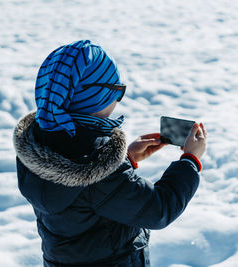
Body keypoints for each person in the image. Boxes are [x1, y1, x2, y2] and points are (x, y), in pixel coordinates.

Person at [13, 40, 207, 267]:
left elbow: (86, 196)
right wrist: (190, 161)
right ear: (94, 96)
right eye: (117, 91)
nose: (118, 99)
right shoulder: (96, 165)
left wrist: (124, 159)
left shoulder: (40, 141)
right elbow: (158, 209)